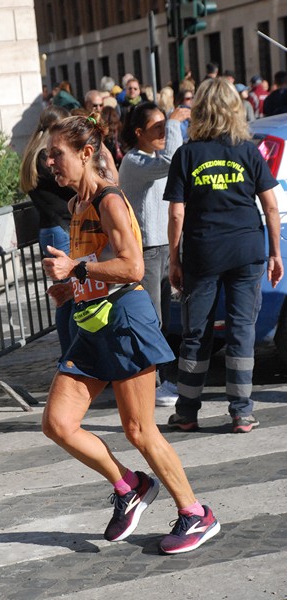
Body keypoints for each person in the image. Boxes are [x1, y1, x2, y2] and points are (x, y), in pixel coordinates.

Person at [41, 112, 220, 555]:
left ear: (85, 153)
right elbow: (99, 267)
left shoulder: (109, 200)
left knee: (139, 430)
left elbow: (133, 267)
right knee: (58, 424)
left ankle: (197, 514)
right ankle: (129, 486)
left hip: (125, 322)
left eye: (57, 154)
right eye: (47, 155)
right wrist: (71, 287)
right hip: (92, 323)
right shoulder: (76, 205)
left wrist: (76, 268)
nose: (49, 162)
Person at [164, 77, 283, 434]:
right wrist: (275, 252)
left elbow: (176, 214)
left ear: (199, 110)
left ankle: (186, 412)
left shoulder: (187, 154)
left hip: (204, 251)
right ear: (234, 109)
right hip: (247, 250)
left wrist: (174, 258)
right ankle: (241, 412)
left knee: (196, 333)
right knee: (242, 329)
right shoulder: (248, 151)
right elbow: (271, 207)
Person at [119, 101, 191, 406]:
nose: (163, 132)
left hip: (165, 247)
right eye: (157, 128)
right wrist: (175, 124)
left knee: (161, 320)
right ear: (139, 132)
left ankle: (156, 379)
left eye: (165, 126)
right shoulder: (134, 162)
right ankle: (153, 382)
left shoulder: (153, 158)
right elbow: (173, 161)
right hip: (147, 250)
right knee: (152, 320)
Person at [20, 105, 74, 355]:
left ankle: (70, 355)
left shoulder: (35, 153)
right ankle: (70, 356)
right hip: (58, 229)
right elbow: (67, 186)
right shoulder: (45, 156)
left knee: (67, 297)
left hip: (53, 228)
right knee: (68, 297)